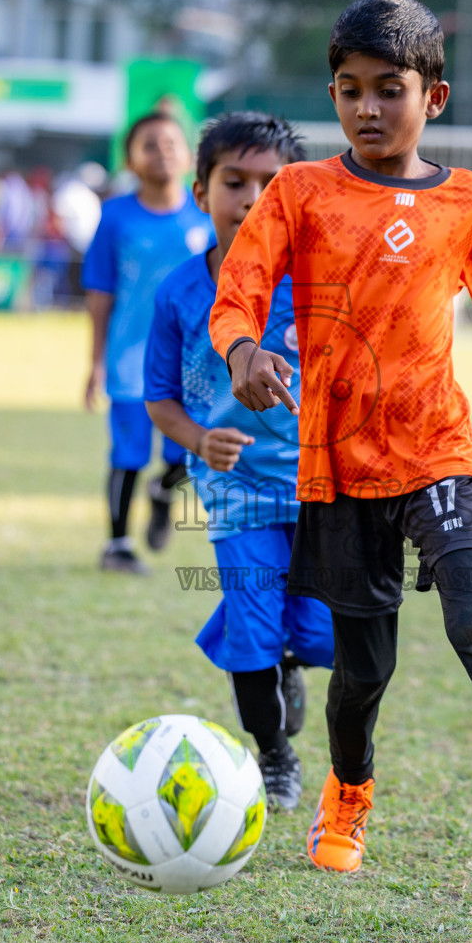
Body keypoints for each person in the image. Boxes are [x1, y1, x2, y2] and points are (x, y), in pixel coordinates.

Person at [209, 0, 472, 921]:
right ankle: (349, 791)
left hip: (439, 450)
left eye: (389, 90)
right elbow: (241, 284)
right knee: (365, 672)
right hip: (335, 467)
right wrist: (244, 351)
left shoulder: (466, 201)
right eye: (350, 90)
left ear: (432, 97)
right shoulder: (300, 194)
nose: (368, 108)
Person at [144, 111, 333, 811]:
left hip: (321, 490)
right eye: (234, 182)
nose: (253, 198)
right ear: (201, 192)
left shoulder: (317, 287)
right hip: (236, 491)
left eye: (271, 183)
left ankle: (288, 663)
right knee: (254, 625)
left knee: (316, 632)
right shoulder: (180, 294)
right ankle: (274, 754)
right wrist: (200, 441)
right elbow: (158, 400)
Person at [82, 112, 214, 575]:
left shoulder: (208, 215)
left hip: (197, 363)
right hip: (131, 360)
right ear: (131, 159)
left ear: (189, 154)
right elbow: (100, 291)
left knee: (192, 452)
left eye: (171, 142)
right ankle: (117, 545)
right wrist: (96, 361)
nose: (162, 152)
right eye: (149, 144)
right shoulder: (116, 215)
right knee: (128, 453)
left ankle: (164, 491)